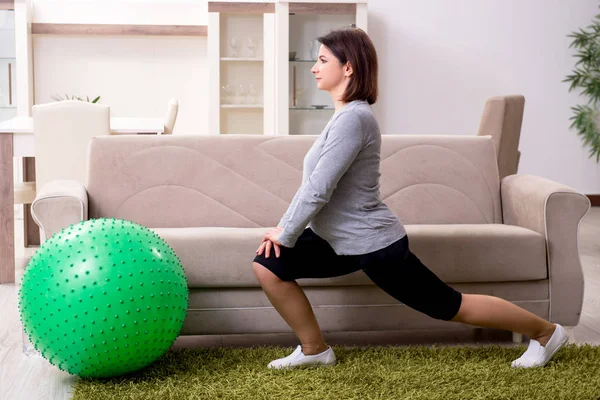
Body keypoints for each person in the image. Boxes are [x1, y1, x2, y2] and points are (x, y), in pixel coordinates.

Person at [252, 27, 567, 370]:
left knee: (449, 306)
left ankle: (546, 333)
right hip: (339, 240)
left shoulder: (353, 119)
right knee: (270, 264)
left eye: (323, 60)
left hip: (374, 244)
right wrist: (286, 231)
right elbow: (315, 185)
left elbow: (318, 189)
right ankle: (315, 350)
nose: (314, 67)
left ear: (348, 68)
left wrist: (285, 231)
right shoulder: (344, 117)